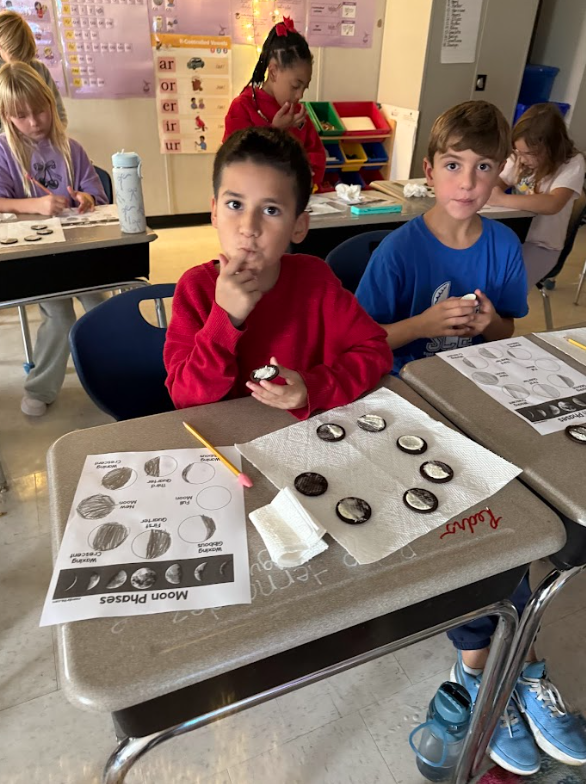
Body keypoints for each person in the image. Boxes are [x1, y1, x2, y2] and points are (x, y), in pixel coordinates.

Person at [164, 127, 391, 417]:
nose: (249, 227)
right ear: (215, 212)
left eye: (271, 210)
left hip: (303, 431)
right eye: (235, 205)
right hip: (228, 435)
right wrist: (225, 319)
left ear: (298, 226)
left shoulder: (315, 278)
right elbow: (186, 400)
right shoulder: (195, 288)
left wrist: (313, 388)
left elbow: (375, 350)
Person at [356, 100, 528, 376]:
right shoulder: (397, 251)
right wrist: (420, 326)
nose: (467, 183)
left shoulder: (506, 246)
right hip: (407, 381)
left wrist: (491, 322)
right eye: (453, 165)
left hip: (474, 376)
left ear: (500, 171)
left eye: (483, 167)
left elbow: (505, 330)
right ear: (430, 172)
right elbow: (360, 341)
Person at [0, 62, 107, 417]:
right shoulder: (4, 152)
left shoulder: (70, 148)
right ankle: (40, 388)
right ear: (7, 116)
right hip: (38, 257)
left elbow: (95, 191)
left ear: (51, 103)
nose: (34, 122)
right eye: (22, 116)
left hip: (79, 251)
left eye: (40, 110)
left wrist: (87, 198)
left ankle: (115, 372)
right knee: (60, 317)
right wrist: (35, 205)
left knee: (101, 309)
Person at [488, 103, 585, 287]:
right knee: (478, 274)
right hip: (512, 238)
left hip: (543, 245)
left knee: (507, 288)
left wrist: (502, 199)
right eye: (518, 151)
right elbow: (495, 184)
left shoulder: (572, 162)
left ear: (552, 148)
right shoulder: (519, 157)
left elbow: (553, 203)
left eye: (529, 154)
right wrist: (497, 182)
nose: (522, 158)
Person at [223, 17, 325, 187]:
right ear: (273, 72)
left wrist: (307, 175)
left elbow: (316, 156)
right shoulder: (243, 107)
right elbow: (233, 162)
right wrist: (276, 131)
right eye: (295, 86)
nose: (300, 95)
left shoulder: (297, 113)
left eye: (304, 88)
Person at [0, 10, 67, 126]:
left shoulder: (39, 69)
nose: (19, 67)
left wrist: (52, 133)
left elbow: (59, 116)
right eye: (13, 57)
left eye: (23, 59)